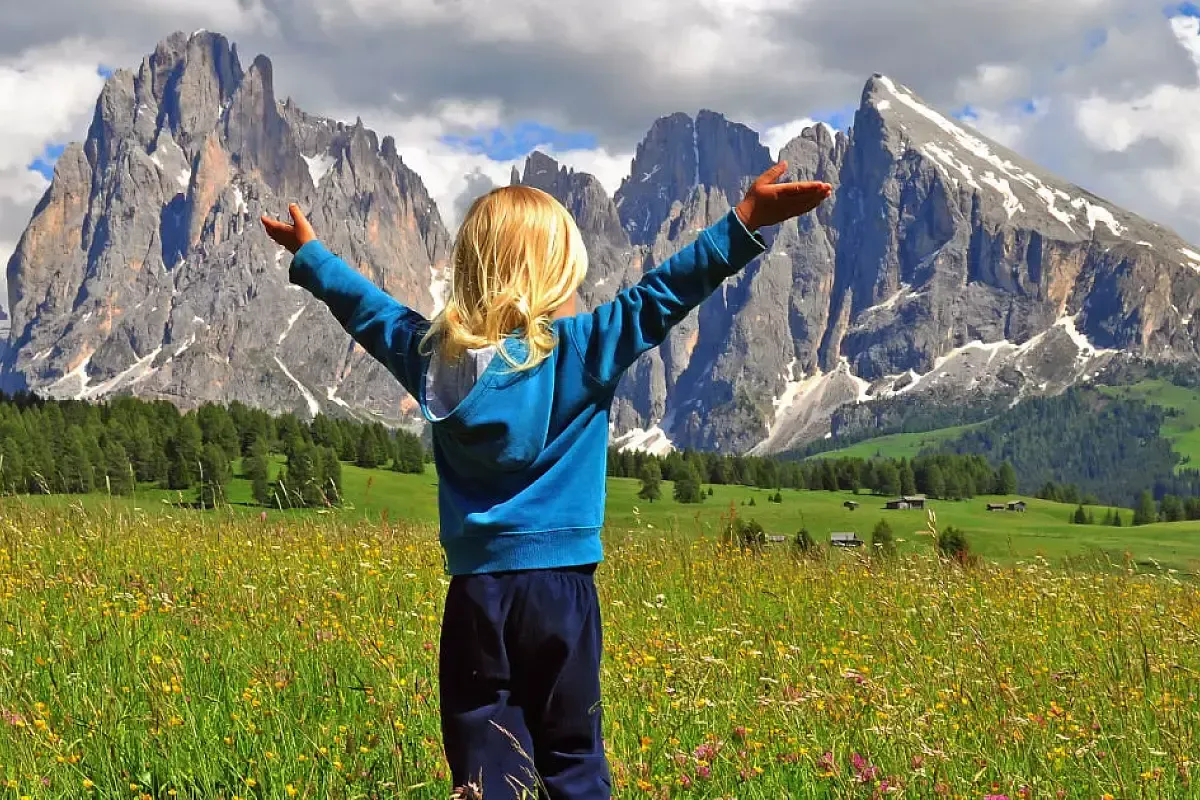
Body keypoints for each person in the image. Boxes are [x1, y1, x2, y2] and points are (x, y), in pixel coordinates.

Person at [261, 162, 831, 799]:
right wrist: (745, 220)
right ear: (553, 277)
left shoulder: (431, 359)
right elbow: (664, 294)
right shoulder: (583, 348)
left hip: (476, 595)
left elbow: (369, 312)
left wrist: (312, 256)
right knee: (572, 757)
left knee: (485, 767)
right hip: (562, 590)